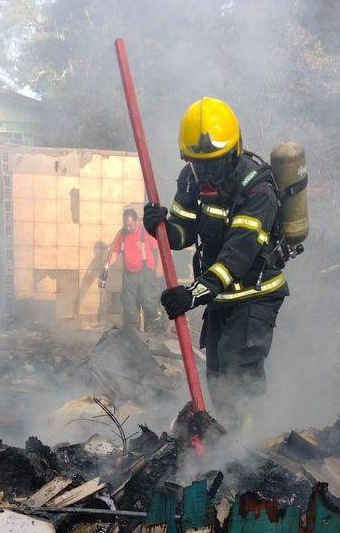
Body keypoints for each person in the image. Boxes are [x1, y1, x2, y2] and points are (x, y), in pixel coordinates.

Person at [143, 96, 288, 428]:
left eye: (215, 164)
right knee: (219, 376)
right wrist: (159, 226)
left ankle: (246, 452)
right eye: (198, 163)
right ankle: (223, 443)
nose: (207, 172)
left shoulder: (257, 188)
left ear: (234, 153)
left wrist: (193, 294)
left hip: (256, 294)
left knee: (240, 376)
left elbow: (237, 255)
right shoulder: (191, 180)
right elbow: (182, 235)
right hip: (219, 296)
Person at [100, 208, 164, 333]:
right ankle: (133, 331)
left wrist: (159, 267)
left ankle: (157, 326)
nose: (128, 228)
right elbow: (114, 251)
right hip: (129, 275)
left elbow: (159, 249)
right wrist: (107, 266)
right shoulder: (122, 234)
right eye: (126, 225)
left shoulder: (145, 232)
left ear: (136, 222)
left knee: (148, 301)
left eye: (130, 225)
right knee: (129, 304)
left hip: (146, 272)